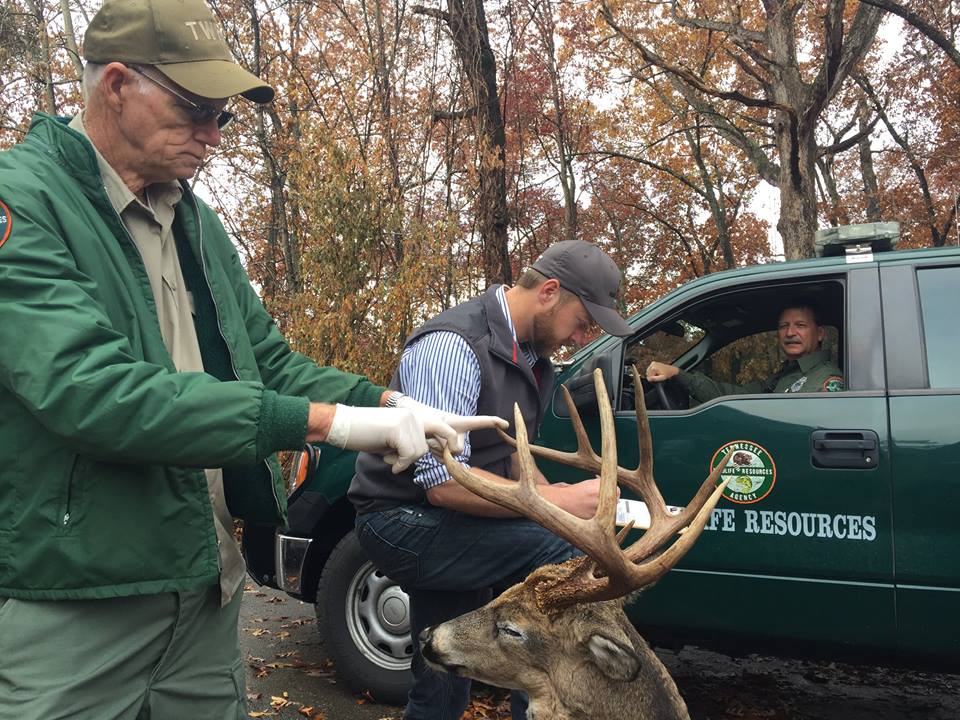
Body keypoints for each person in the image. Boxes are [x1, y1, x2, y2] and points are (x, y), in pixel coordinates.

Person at [0, 1, 505, 718]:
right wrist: (328, 423)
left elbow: (263, 361)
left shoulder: (193, 219)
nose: (212, 135)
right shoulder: (23, 200)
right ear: (116, 85)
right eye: (194, 109)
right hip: (78, 597)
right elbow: (89, 391)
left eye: (223, 116)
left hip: (204, 586)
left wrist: (388, 404)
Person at [348, 239, 634, 720]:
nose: (582, 339)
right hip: (401, 518)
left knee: (444, 682)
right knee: (561, 554)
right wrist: (555, 505)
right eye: (582, 323)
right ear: (548, 292)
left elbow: (516, 459)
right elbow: (443, 483)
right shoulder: (454, 345)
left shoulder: (535, 364)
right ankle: (545, 704)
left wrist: (558, 500)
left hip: (451, 521)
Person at [646, 299, 844, 402]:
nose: (790, 332)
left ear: (819, 333)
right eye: (784, 326)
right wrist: (678, 373)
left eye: (800, 325)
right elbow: (733, 395)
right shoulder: (786, 375)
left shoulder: (825, 379)